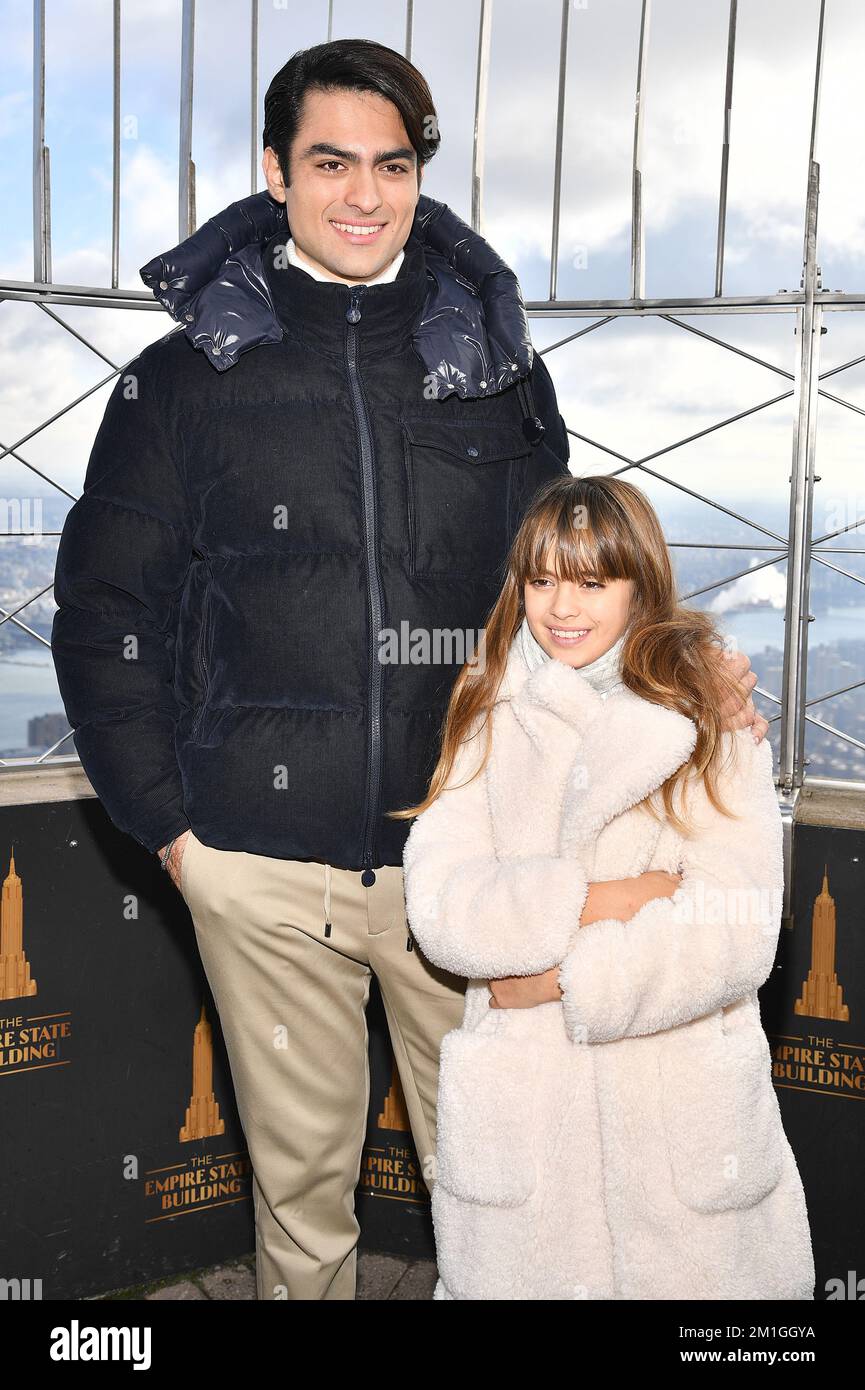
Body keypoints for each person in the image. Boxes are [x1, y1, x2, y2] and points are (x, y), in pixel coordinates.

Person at [51, 38, 766, 1301]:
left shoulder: (493, 371)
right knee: (302, 1212)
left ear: (419, 176)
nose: (364, 194)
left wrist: (689, 659)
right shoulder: (178, 384)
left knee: (516, 1199)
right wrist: (173, 835)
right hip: (258, 868)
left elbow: (575, 576)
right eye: (330, 162)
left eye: (392, 164)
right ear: (276, 172)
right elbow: (108, 611)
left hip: (475, 864)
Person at [400, 474, 815, 1301]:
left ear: (641, 583)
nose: (561, 607)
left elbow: (734, 930)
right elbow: (443, 904)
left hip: (677, 1125)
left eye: (592, 581)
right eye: (543, 579)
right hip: (530, 1130)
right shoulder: (486, 704)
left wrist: (557, 980)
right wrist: (617, 898)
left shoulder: (710, 713)